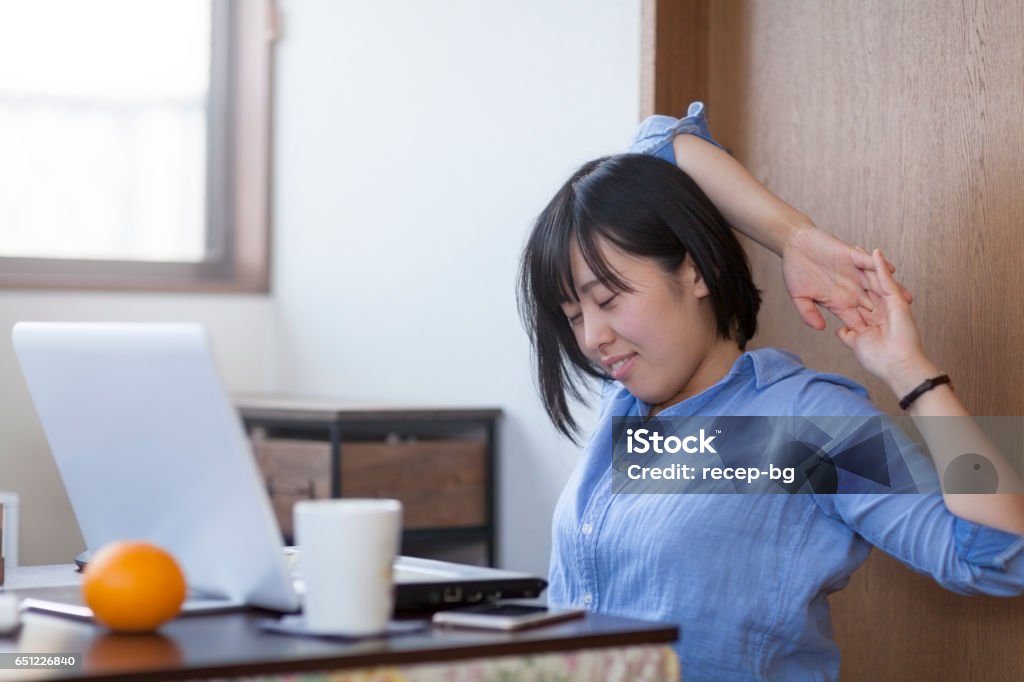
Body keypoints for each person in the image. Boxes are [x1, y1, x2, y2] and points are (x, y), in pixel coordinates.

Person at [516, 105, 1024, 681]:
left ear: (694, 273)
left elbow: (997, 553)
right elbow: (657, 146)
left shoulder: (803, 425)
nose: (592, 337)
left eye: (607, 300)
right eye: (573, 314)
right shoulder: (628, 412)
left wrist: (910, 372)